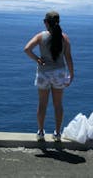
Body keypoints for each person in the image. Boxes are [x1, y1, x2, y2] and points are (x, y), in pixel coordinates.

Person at [24, 11, 74, 142]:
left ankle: (40, 132)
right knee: (58, 105)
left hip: (43, 74)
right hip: (59, 73)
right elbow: (68, 57)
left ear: (46, 22)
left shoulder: (41, 36)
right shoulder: (65, 38)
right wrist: (72, 74)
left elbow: (27, 49)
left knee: (42, 104)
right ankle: (57, 133)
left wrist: (37, 59)